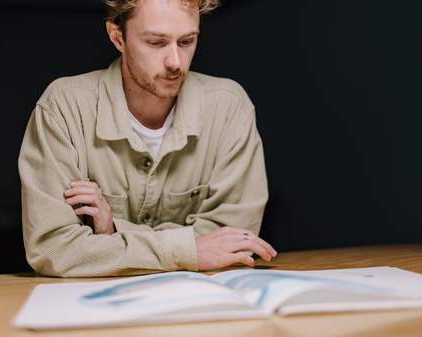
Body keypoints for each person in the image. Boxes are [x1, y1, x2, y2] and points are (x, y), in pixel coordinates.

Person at [18, 0, 277, 277]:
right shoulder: (64, 106)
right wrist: (189, 251)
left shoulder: (229, 107)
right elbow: (53, 249)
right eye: (156, 43)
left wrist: (113, 232)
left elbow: (235, 242)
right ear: (118, 37)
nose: (175, 62)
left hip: (199, 304)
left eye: (187, 41)